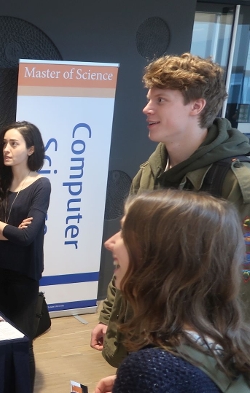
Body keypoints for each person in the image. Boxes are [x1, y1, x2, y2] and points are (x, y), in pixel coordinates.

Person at [91, 53, 250, 368]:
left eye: (161, 99)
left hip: (198, 356)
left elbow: (243, 285)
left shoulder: (237, 185)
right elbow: (130, 251)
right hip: (142, 336)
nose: (146, 108)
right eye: (150, 98)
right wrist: (110, 315)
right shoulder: (150, 170)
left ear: (196, 105)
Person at [95, 189, 250, 392]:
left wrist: (144, 381)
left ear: (161, 254)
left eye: (125, 231)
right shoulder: (234, 342)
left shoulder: (151, 370)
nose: (110, 243)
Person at [0, 121, 51, 388]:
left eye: (13, 143)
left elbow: (27, 237)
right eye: (4, 143)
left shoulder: (41, 185)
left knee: (22, 340)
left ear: (30, 149)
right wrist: (7, 231)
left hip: (23, 273)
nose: (6, 149)